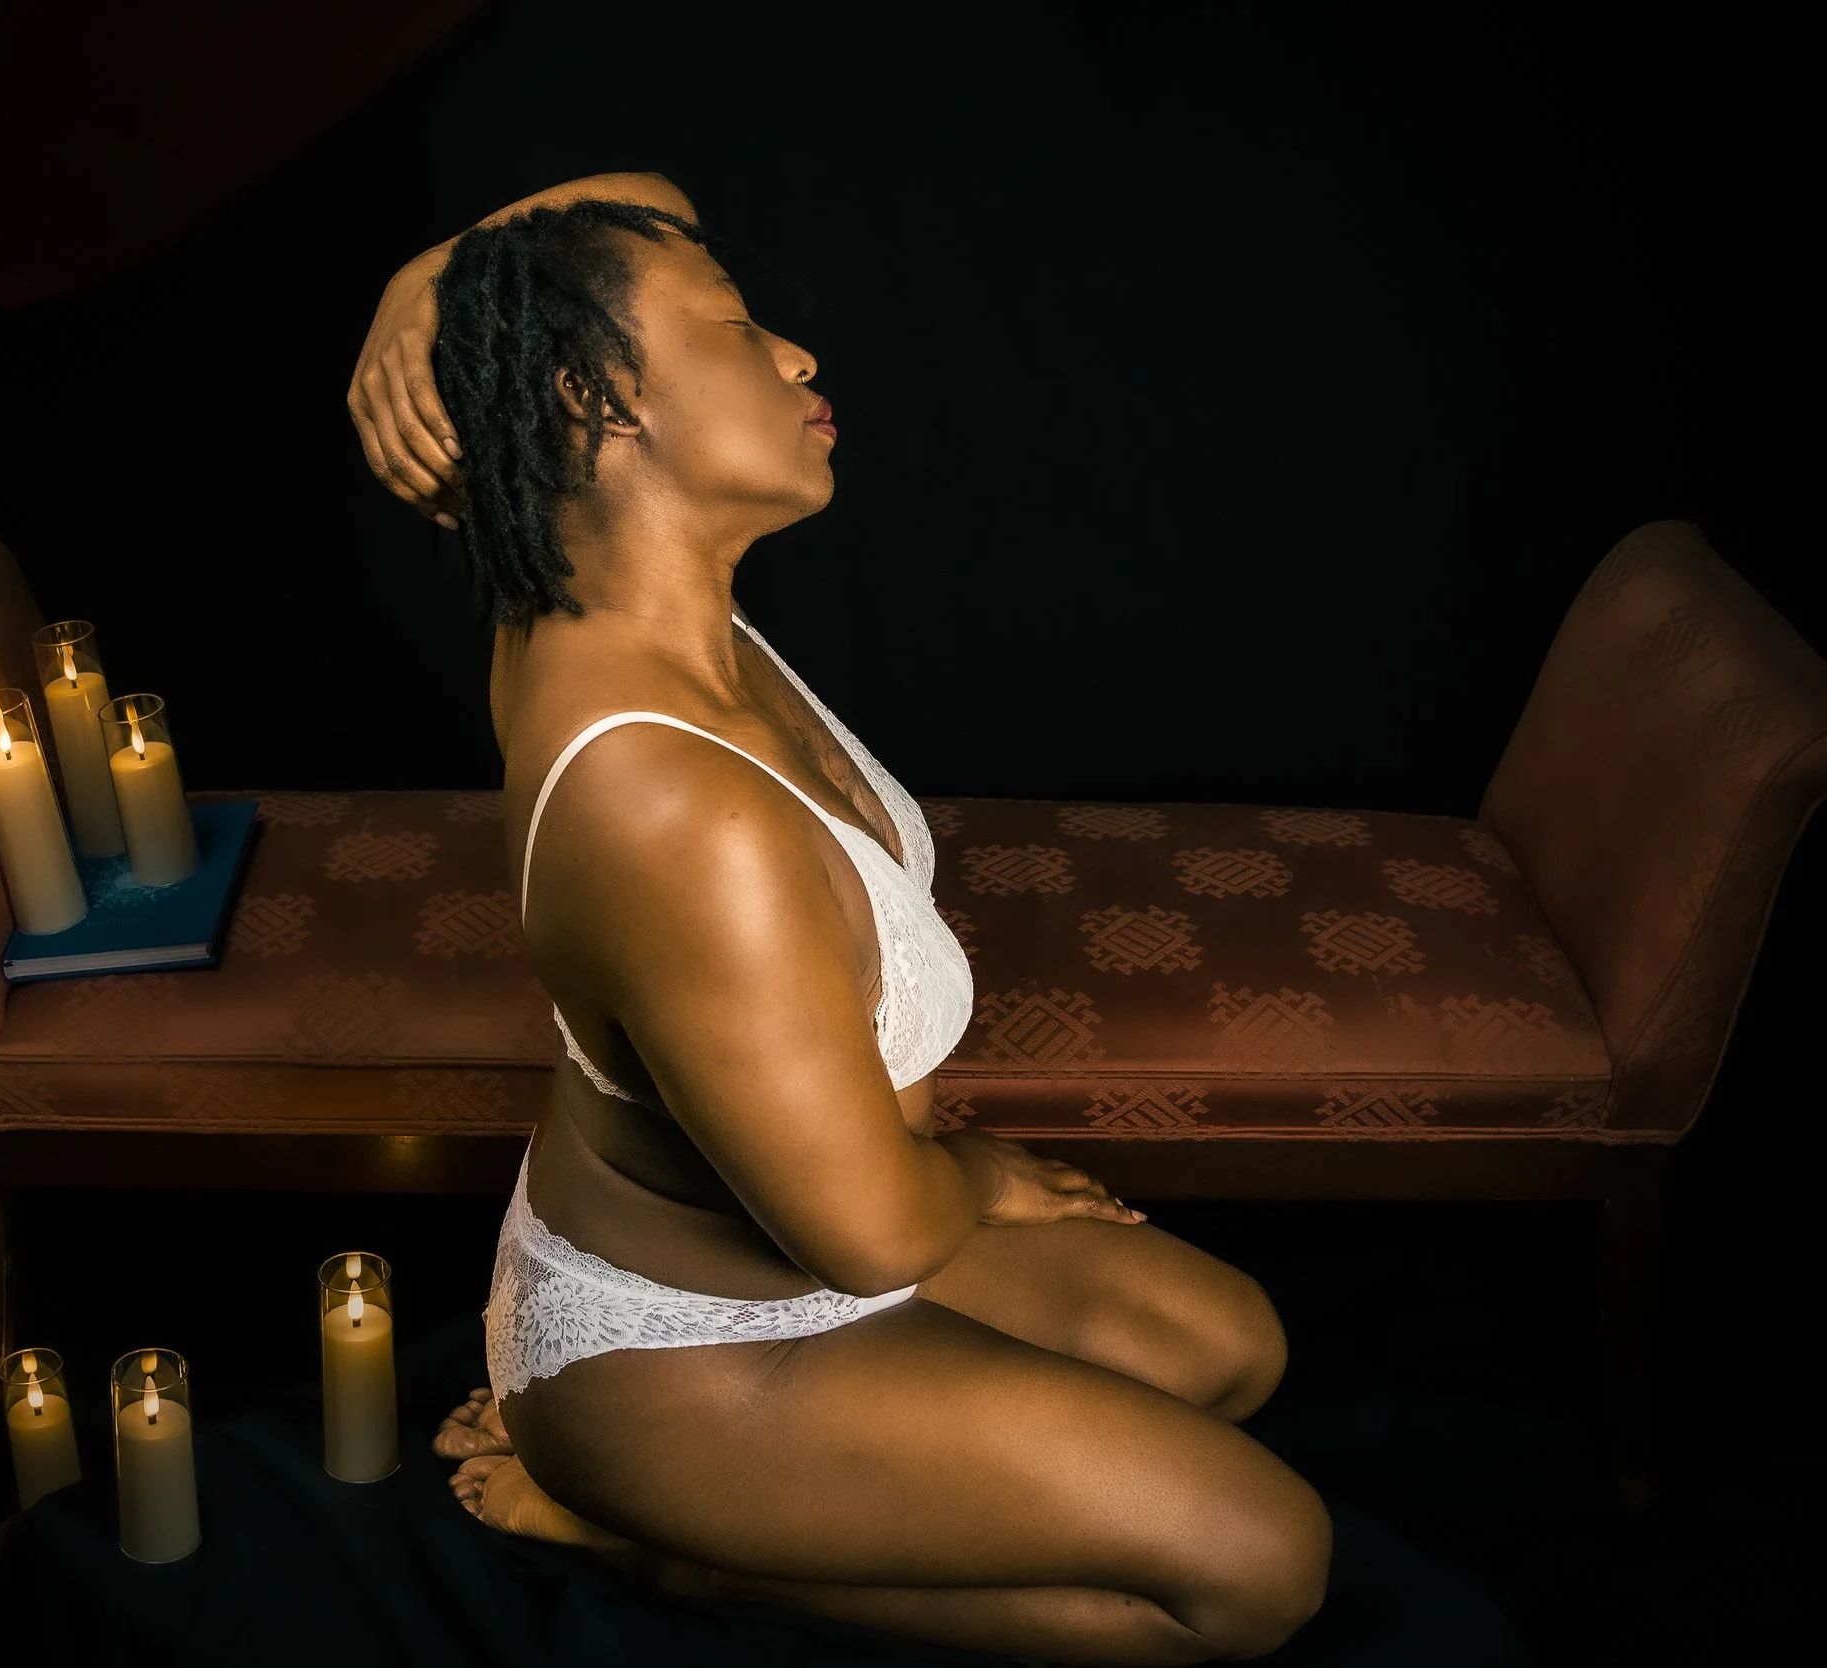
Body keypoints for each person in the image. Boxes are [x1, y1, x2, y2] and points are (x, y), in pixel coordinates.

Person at [345, 172, 1330, 1665]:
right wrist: (985, 1174)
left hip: (803, 1234)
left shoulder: (598, 579)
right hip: (685, 1354)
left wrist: (420, 285)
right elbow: (875, 1232)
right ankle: (654, 1546)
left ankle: (716, 1509)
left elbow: (641, 201)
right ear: (597, 397)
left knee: (1232, 1347)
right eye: (740, 332)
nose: (799, 357)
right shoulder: (675, 815)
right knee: (1266, 1572)